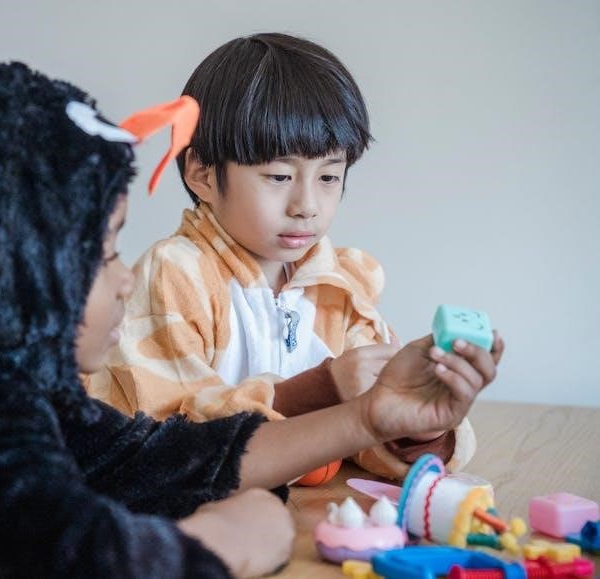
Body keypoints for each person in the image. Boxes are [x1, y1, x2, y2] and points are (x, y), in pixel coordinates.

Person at [0, 60, 499, 578]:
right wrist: (224, 542)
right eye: (105, 254)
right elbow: (84, 559)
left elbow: (150, 458)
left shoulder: (1, 382)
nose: (125, 277)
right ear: (16, 270)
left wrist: (370, 418)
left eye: (329, 176)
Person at [86, 33, 504, 480]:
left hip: (306, 506)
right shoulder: (175, 275)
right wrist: (319, 390)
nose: (306, 205)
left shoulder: (340, 287)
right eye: (279, 176)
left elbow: (371, 432)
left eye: (329, 177)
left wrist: (421, 428)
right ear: (203, 174)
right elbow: (161, 445)